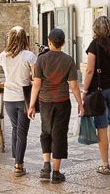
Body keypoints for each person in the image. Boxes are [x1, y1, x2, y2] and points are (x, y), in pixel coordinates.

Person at [27, 28, 83, 184]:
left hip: (45, 101)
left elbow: (36, 84)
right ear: (63, 43)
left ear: (49, 42)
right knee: (59, 134)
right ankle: (56, 172)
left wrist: (32, 105)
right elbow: (74, 85)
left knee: (46, 131)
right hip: (62, 102)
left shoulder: (41, 60)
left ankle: (46, 167)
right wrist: (80, 103)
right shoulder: (68, 60)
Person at [82, 16, 110, 175]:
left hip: (99, 91)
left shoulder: (94, 46)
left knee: (101, 125)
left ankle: (105, 164)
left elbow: (89, 70)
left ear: (96, 29)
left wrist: (85, 91)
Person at [0, 26, 37, 177]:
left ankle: (16, 159)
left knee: (15, 128)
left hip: (8, 97)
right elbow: (35, 76)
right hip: (23, 96)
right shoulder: (29, 56)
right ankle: (18, 165)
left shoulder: (3, 56)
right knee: (22, 132)